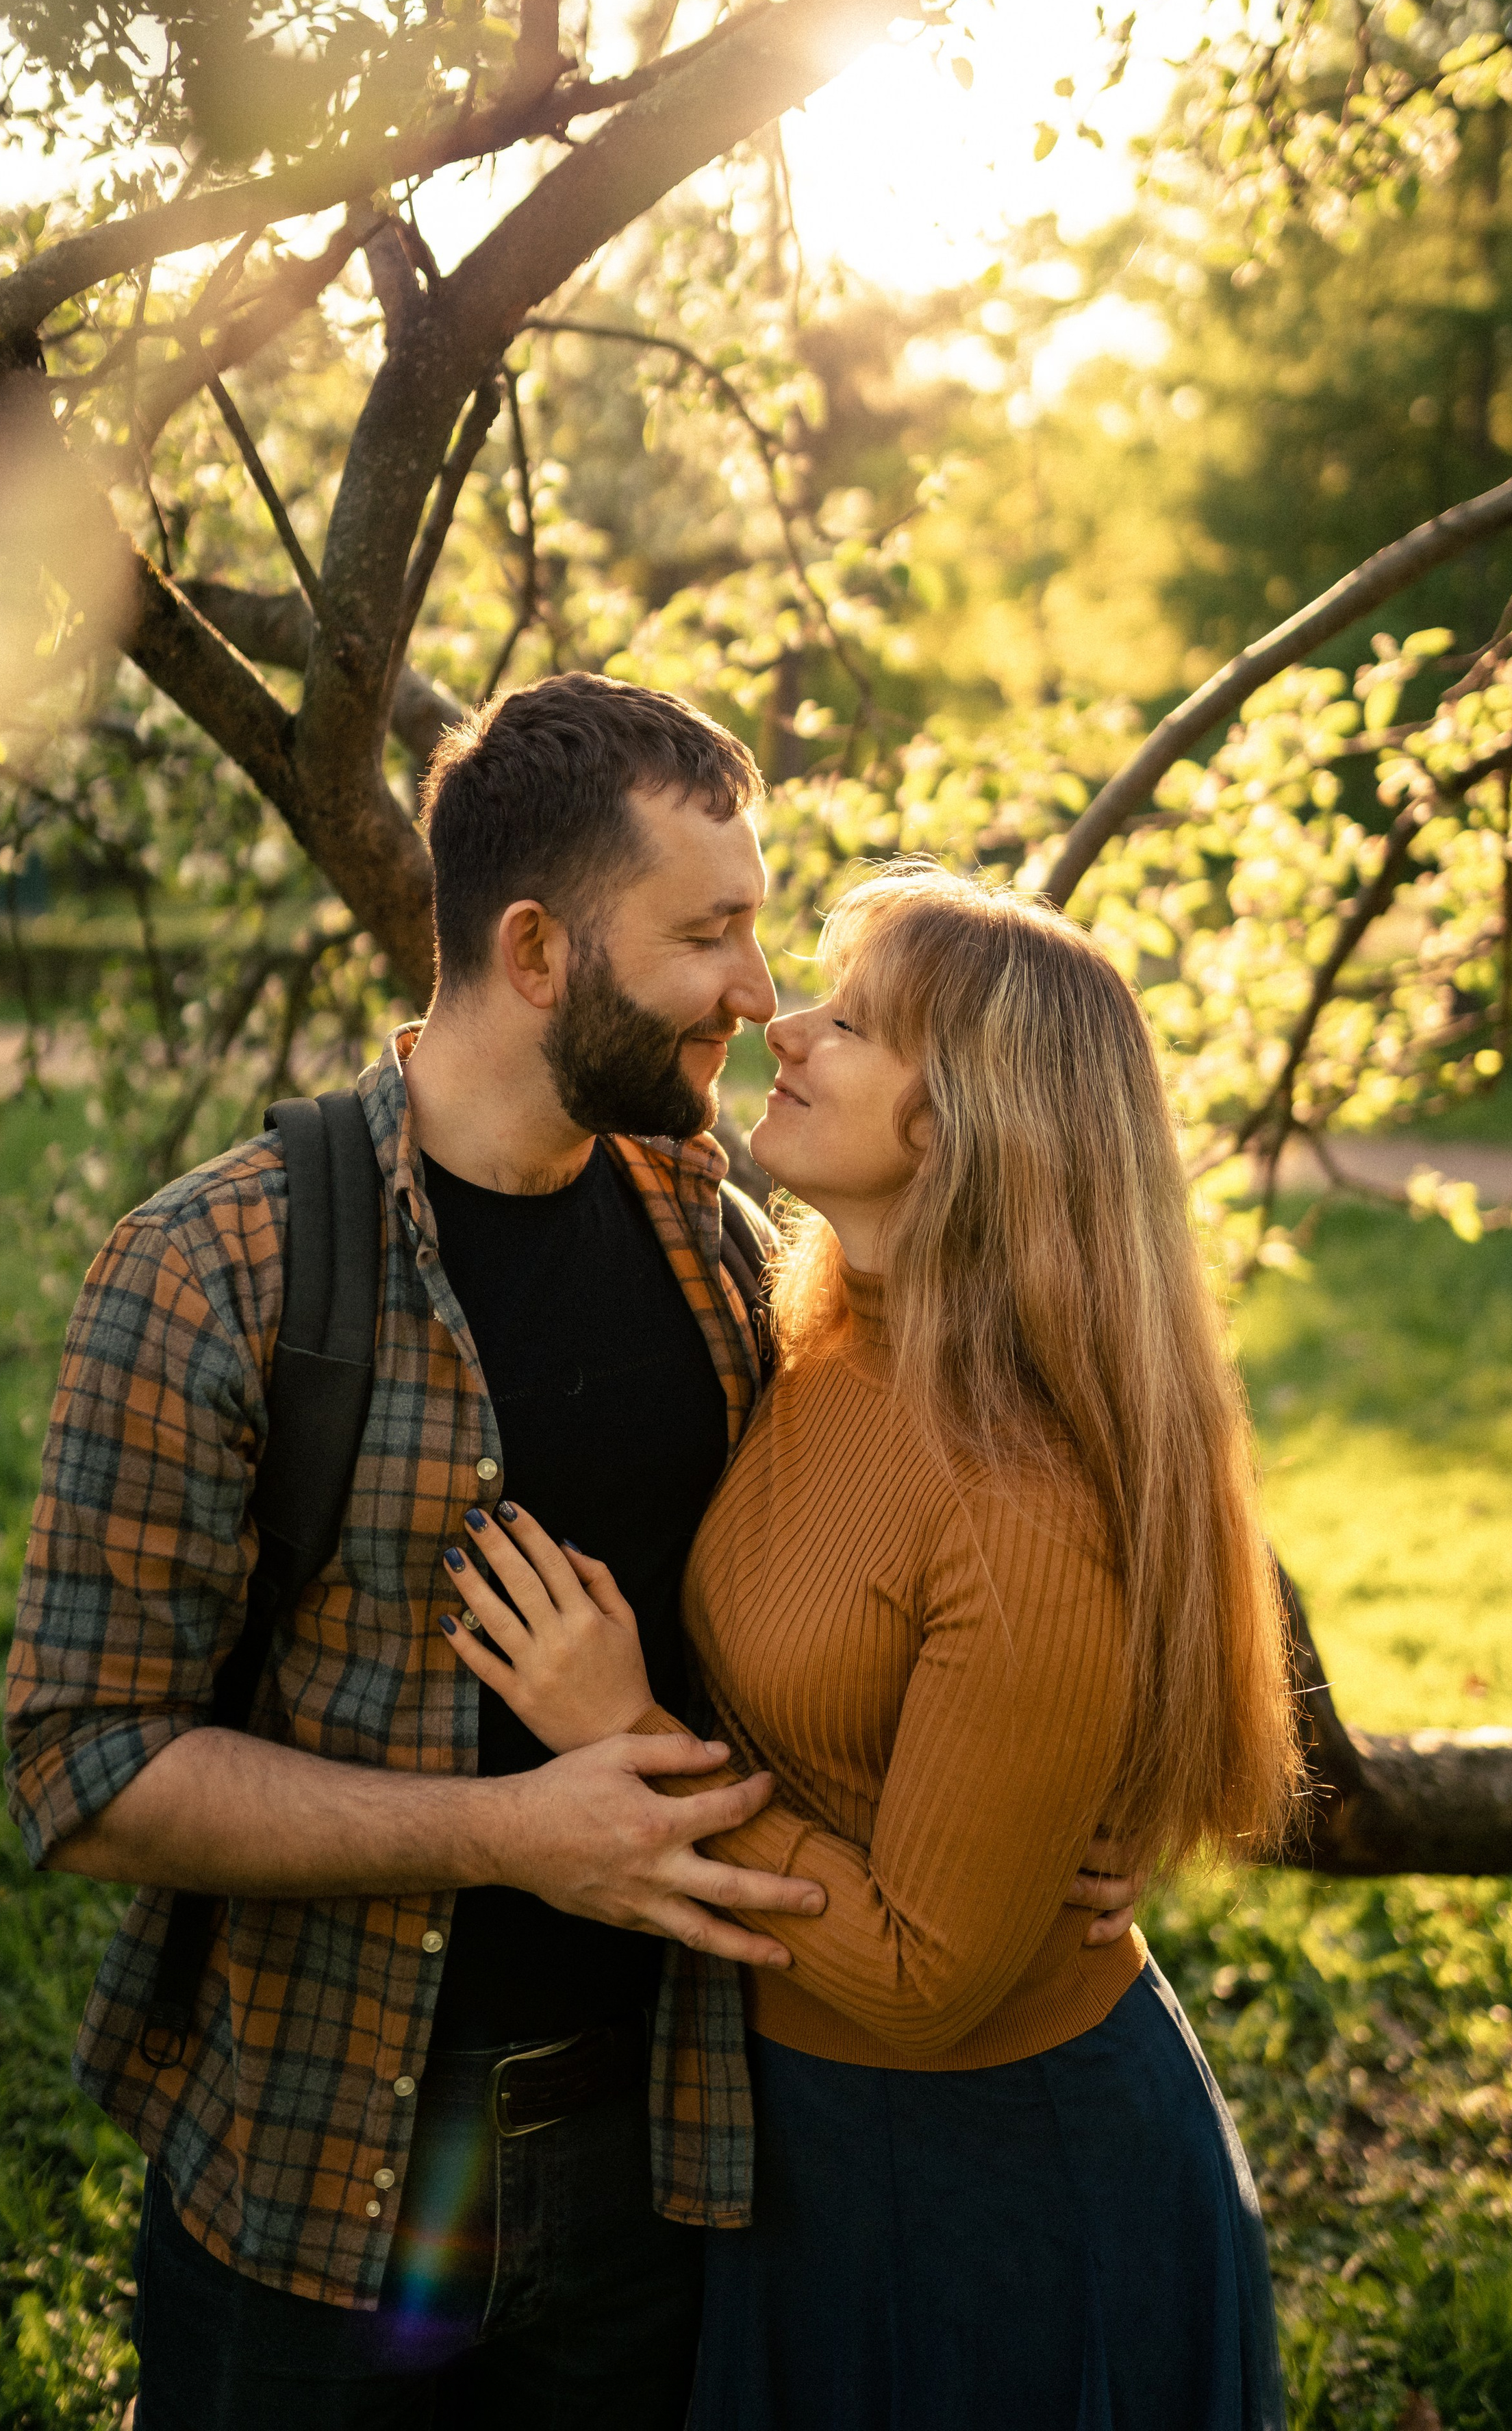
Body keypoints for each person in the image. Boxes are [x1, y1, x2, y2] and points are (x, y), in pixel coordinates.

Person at [4, 680, 1138, 2431]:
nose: (759, 998)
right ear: (536, 952)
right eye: (711, 935)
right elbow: (80, 1772)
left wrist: (1066, 1787)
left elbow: (961, 1511)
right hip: (318, 2174)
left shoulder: (716, 1238)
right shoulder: (210, 1275)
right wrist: (512, 1838)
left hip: (666, 2170)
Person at [441, 862, 1300, 2431]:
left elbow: (919, 1978)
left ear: (968, 1125)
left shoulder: (1022, 1501)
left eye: (859, 1022)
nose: (789, 1021)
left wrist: (623, 1734)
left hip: (988, 2183)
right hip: (802, 2139)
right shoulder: (821, 1315)